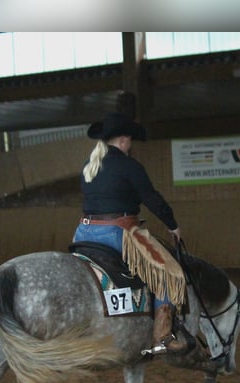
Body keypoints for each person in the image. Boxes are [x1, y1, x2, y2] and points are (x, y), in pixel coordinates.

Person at [72, 111, 188, 355]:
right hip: (117, 234)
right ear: (124, 140)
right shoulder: (130, 166)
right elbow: (151, 198)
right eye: (130, 139)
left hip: (83, 233)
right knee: (167, 271)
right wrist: (172, 224)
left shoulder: (88, 166)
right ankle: (163, 334)